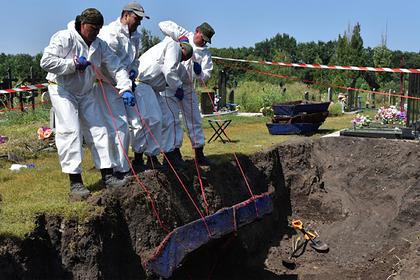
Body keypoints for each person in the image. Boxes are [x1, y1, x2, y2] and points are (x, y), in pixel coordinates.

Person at [40, 8, 135, 200]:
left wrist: (125, 88)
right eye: (93, 28)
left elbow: (116, 67)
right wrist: (72, 65)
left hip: (86, 91)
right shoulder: (64, 37)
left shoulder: (100, 45)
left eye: (99, 29)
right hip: (62, 89)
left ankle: (108, 176)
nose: (97, 33)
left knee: (99, 130)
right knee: (71, 131)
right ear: (82, 25)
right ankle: (75, 182)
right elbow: (46, 61)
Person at [88, 2, 149, 179]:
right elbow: (108, 64)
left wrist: (132, 73)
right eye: (136, 18)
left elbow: (134, 60)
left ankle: (127, 164)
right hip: (107, 85)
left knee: (137, 121)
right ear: (125, 15)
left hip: (124, 85)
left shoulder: (135, 36)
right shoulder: (111, 33)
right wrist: (123, 84)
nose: (138, 23)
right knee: (118, 125)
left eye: (140, 20)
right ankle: (120, 170)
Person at [128, 36, 193, 170]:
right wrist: (178, 86)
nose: (181, 61)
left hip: (153, 88)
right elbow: (169, 70)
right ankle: (139, 159)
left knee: (163, 120)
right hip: (143, 83)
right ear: (182, 48)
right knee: (148, 120)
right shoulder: (173, 46)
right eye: (183, 57)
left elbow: (172, 71)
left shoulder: (172, 51)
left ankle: (155, 156)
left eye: (184, 60)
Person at [158, 20, 215, 165]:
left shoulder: (205, 54)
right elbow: (163, 24)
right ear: (197, 31)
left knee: (194, 119)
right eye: (202, 39)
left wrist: (199, 72)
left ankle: (199, 152)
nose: (203, 43)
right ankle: (173, 153)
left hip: (188, 87)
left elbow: (205, 76)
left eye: (206, 41)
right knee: (171, 119)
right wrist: (181, 38)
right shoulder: (184, 36)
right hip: (171, 85)